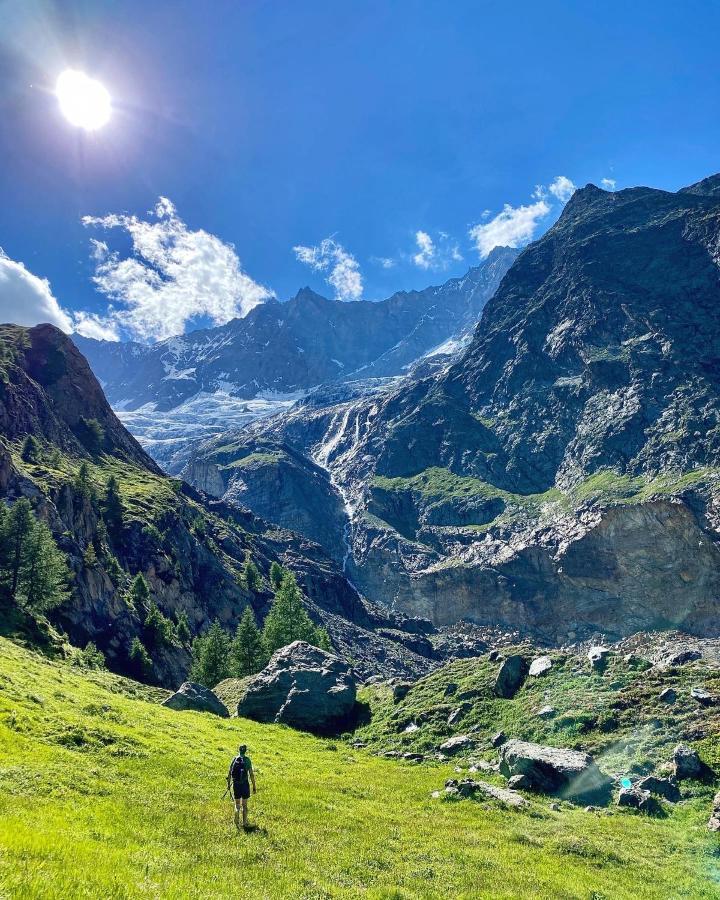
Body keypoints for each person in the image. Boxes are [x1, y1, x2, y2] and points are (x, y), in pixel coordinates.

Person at [227, 744, 256, 830]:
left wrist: (228, 785)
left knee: (237, 804)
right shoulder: (247, 760)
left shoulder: (235, 759)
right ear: (245, 751)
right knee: (244, 805)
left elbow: (229, 773)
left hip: (236, 785)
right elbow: (251, 774)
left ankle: (236, 815)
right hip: (245, 785)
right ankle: (245, 823)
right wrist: (254, 786)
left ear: (239, 750)